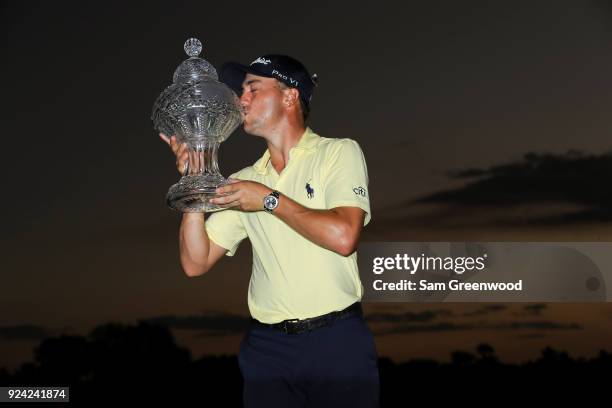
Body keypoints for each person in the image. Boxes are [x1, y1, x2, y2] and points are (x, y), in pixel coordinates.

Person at [159, 54, 380, 408]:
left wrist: (269, 200)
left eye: (252, 88)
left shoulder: (338, 153)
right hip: (268, 350)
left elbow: (344, 237)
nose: (240, 99)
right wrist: (194, 183)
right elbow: (195, 262)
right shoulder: (245, 180)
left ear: (290, 96)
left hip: (337, 341)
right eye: (241, 91)